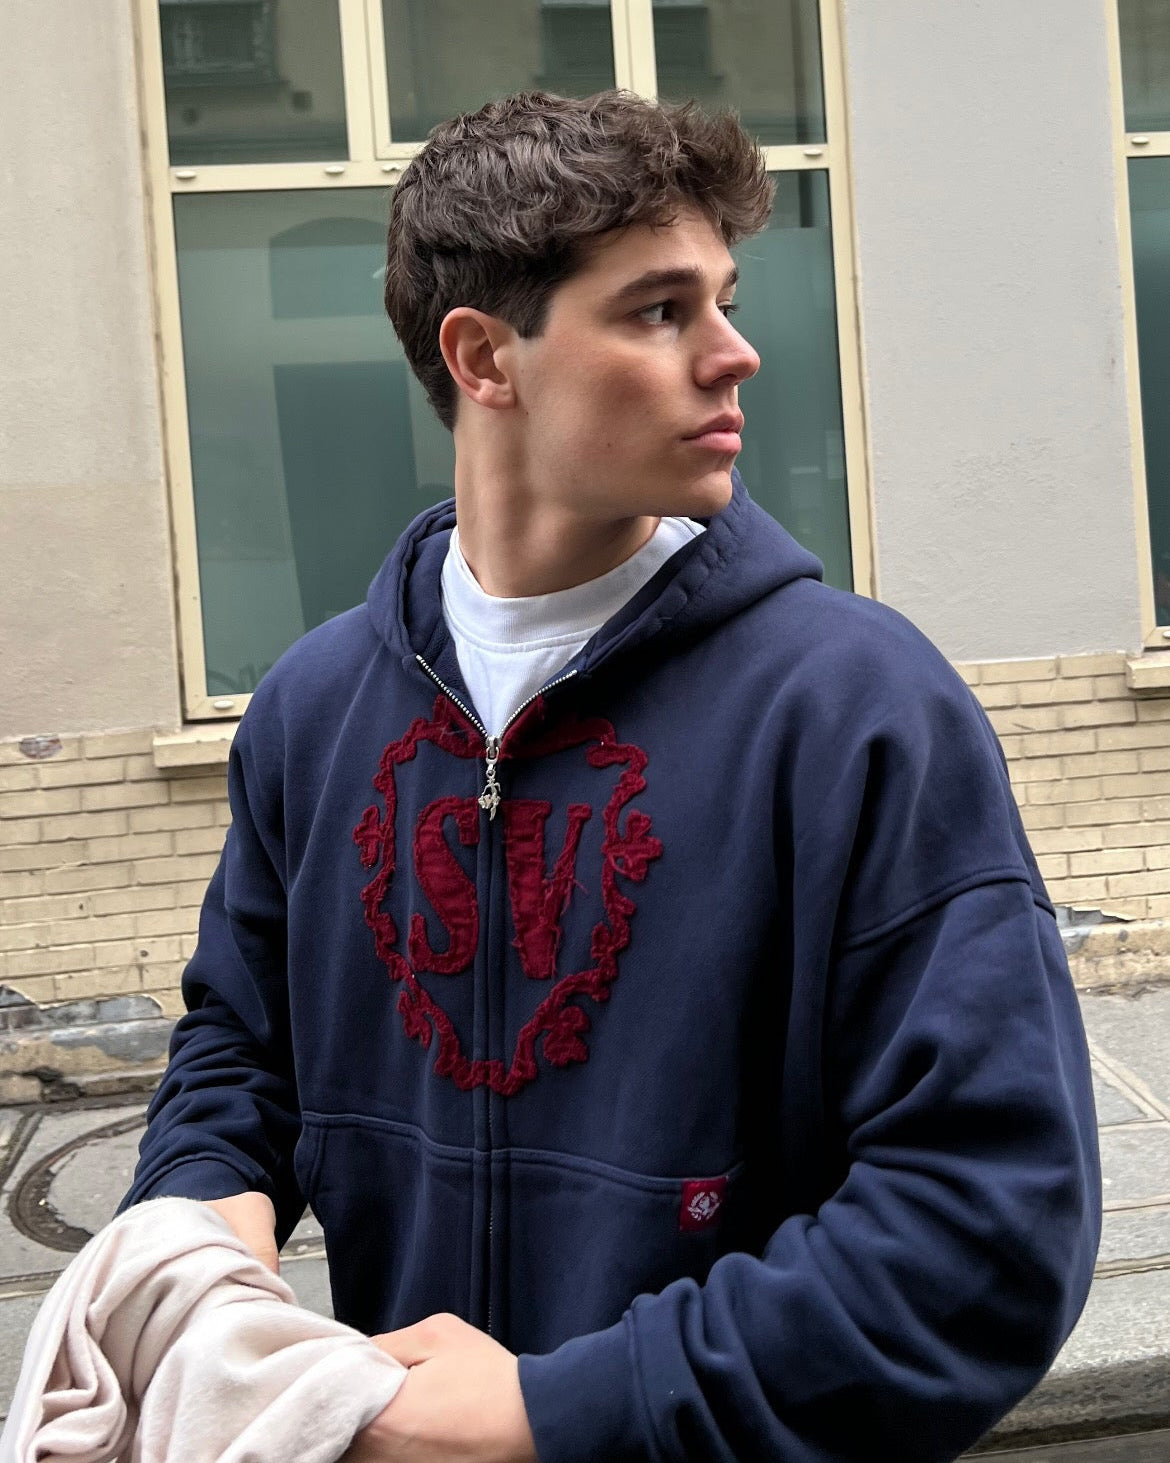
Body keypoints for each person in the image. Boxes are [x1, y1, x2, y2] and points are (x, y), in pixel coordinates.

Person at [123, 91, 1100, 1463]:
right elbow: (239, 1050)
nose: (735, 353)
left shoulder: (855, 709)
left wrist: (558, 1413)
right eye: (657, 311)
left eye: (723, 302)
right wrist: (200, 1208)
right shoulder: (313, 709)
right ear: (485, 357)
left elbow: (983, 1225)